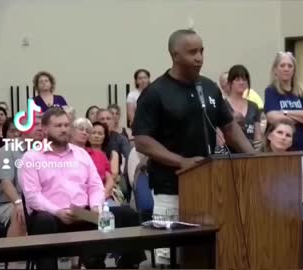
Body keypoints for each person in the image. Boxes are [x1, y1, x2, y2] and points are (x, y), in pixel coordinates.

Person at [132, 28, 254, 265]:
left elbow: (229, 127)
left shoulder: (208, 88)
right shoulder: (156, 92)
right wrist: (181, 161)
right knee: (169, 257)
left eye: (201, 51)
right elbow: (142, 140)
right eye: (192, 52)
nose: (199, 57)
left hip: (208, 187)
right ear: (175, 55)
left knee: (205, 252)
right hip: (171, 187)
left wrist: (254, 159)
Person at [18, 108, 144, 269]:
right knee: (44, 222)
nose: (63, 129)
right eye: (58, 126)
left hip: (84, 213)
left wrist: (95, 208)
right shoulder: (31, 157)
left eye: (66, 125)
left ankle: (120, 264)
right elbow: (33, 196)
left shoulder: (81, 154)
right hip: (52, 216)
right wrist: (58, 212)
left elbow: (95, 185)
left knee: (127, 214)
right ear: (44, 129)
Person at [0, 115, 42, 238]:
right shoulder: (7, 150)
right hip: (9, 203)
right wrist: (18, 202)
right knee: (21, 213)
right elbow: (6, 183)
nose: (41, 128)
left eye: (42, 125)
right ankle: (15, 256)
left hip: (37, 200)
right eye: (36, 125)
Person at [264, 51, 303, 154]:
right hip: (279, 148)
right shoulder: (271, 91)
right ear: (275, 70)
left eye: (290, 66)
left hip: (301, 145)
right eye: (282, 65)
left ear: (294, 70)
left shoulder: (302, 92)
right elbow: (273, 118)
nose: (286, 69)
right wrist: (301, 117)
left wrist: (285, 112)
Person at [70, 118, 117, 206]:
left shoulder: (99, 155)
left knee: (118, 212)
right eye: (81, 129)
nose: (84, 132)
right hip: (74, 200)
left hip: (101, 197)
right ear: (71, 131)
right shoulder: (63, 154)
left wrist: (102, 196)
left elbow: (109, 180)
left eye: (87, 131)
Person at [225, 65, 262, 143]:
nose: (241, 82)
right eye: (237, 79)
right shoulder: (223, 105)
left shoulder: (254, 106)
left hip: (250, 151)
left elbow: (257, 136)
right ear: (230, 82)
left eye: (244, 79)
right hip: (229, 152)